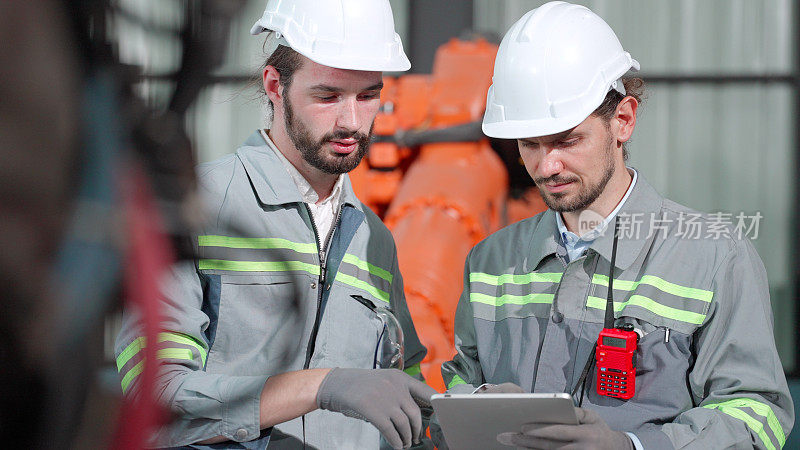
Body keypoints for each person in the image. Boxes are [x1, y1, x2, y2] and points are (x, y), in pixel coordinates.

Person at [438, 2, 793, 449]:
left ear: (623, 120)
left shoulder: (715, 257)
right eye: (529, 144)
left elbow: (758, 413)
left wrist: (635, 447)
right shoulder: (491, 260)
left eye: (568, 140)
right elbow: (458, 383)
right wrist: (480, 400)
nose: (547, 165)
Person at [114, 0, 436, 448]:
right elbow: (154, 398)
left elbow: (408, 397)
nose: (351, 121)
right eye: (327, 96)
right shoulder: (195, 208)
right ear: (274, 84)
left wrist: (480, 411)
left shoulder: (373, 239)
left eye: (368, 96)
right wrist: (320, 387)